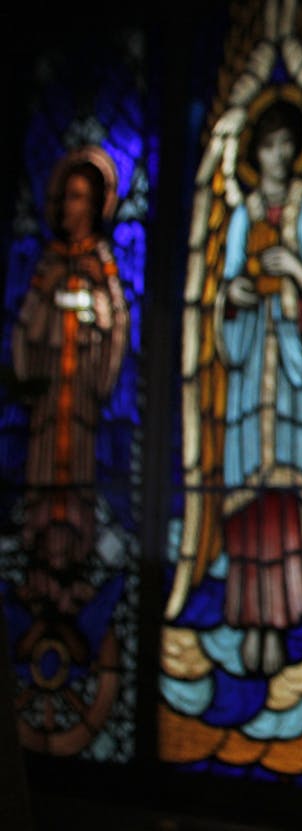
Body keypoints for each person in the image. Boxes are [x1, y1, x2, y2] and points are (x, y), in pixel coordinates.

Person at [214, 95, 302, 676]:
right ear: (254, 152)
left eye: (288, 144)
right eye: (268, 145)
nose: (279, 155)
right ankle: (248, 621)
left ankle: (285, 616)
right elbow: (223, 288)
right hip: (246, 376)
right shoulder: (242, 212)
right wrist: (232, 299)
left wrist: (293, 268)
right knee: (245, 496)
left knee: (284, 493)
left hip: (291, 368)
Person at [12, 148, 128, 614]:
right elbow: (26, 329)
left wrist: (95, 318)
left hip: (82, 404)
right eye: (68, 198)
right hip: (48, 404)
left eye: (82, 198)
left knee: (78, 480)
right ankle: (38, 566)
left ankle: (78, 564)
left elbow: (117, 321)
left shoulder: (102, 261)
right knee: (42, 477)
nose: (72, 208)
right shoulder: (47, 264)